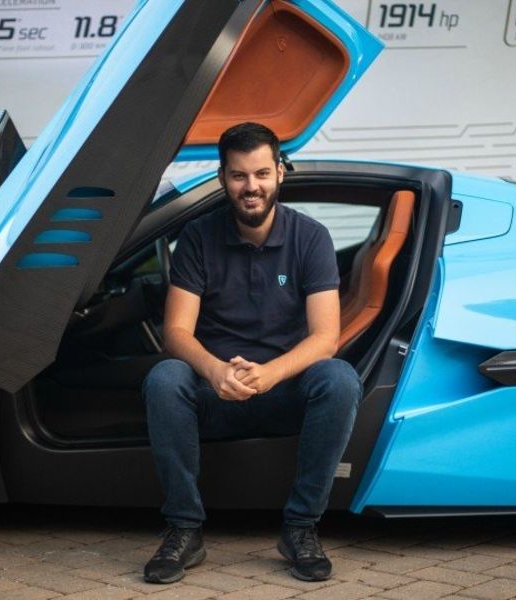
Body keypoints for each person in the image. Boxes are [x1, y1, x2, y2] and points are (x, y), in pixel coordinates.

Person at [142, 122, 362, 584]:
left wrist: (271, 374)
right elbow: (176, 333)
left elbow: (326, 337)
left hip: (285, 393)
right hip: (216, 394)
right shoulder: (198, 237)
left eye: (261, 173)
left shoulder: (311, 238)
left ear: (279, 172)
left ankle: (300, 528)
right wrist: (215, 370)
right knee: (164, 378)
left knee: (340, 378)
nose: (251, 186)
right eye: (239, 175)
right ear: (223, 177)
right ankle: (184, 530)